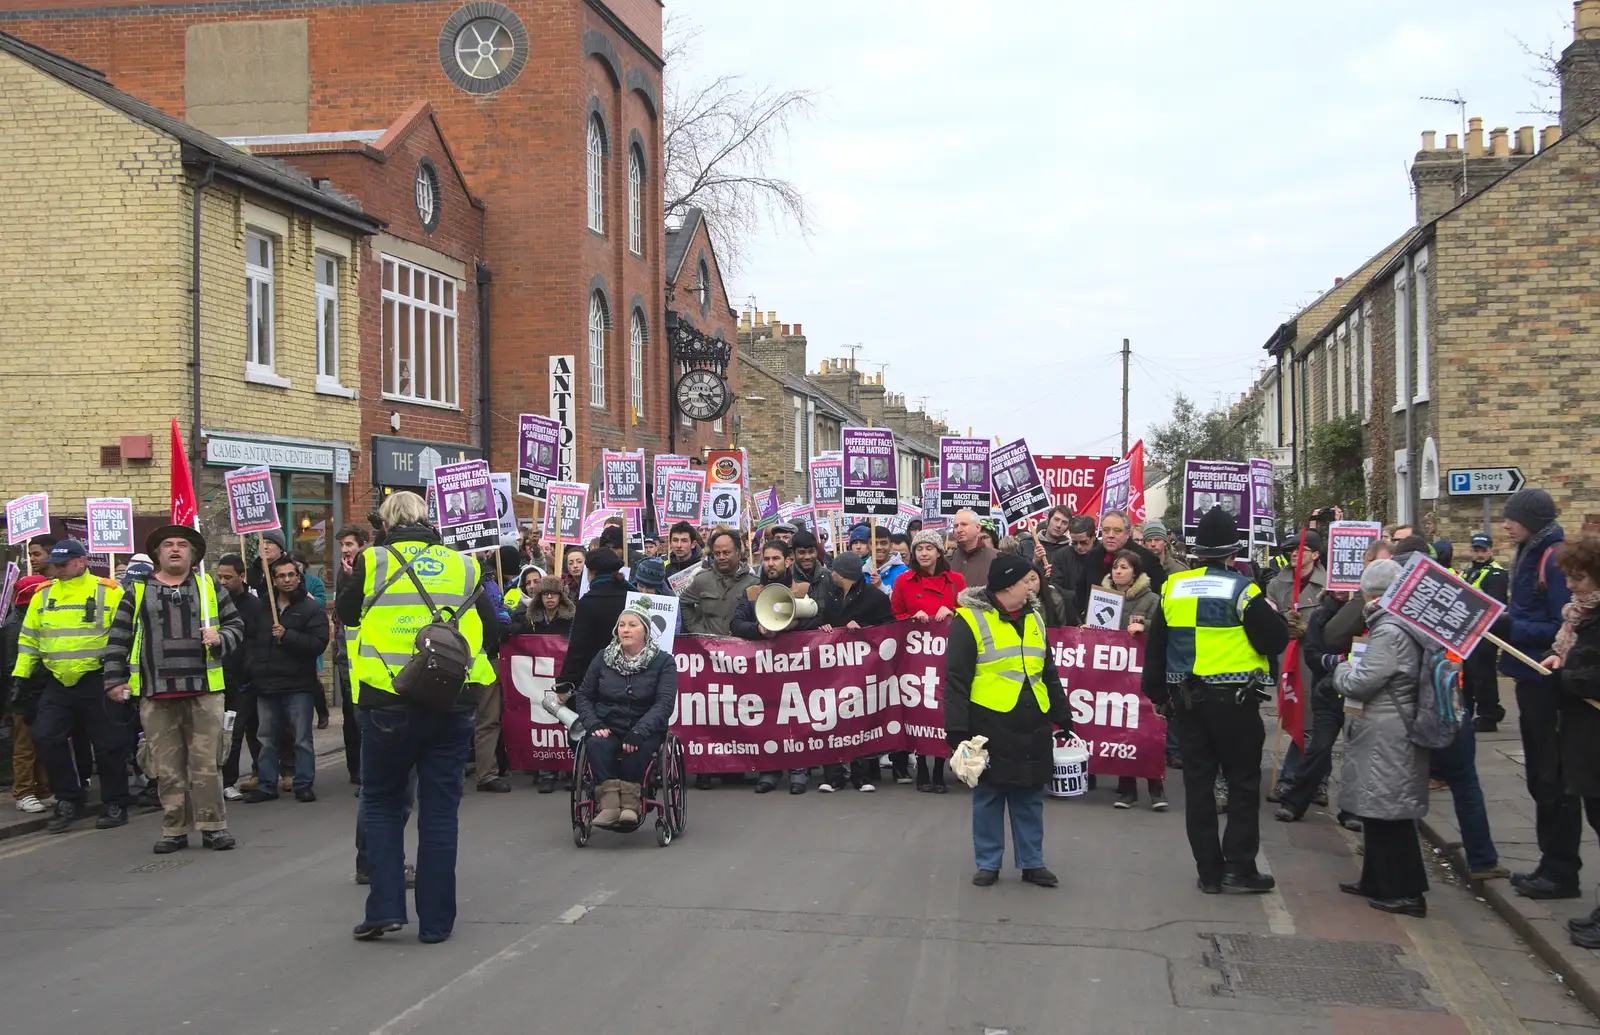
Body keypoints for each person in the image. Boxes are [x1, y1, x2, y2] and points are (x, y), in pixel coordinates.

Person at [336, 490, 484, 944]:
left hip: (386, 699)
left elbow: (345, 614)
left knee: (381, 802)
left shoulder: (372, 561)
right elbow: (489, 630)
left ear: (385, 522)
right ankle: (437, 924)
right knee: (440, 814)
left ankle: (384, 909)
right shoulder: (464, 565)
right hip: (449, 700)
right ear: (427, 520)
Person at [1140, 507, 1290, 894]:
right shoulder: (1244, 589)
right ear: (1232, 553)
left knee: (1199, 787)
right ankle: (1239, 868)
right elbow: (1273, 640)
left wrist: (1159, 696)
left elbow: (1157, 648)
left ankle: (1209, 873)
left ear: (1196, 550)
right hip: (1235, 703)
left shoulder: (1173, 588)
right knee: (1241, 784)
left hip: (1187, 703)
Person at [104, 526, 244, 853]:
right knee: (166, 768)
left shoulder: (209, 587)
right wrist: (113, 680)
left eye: (182, 544)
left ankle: (213, 827)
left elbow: (237, 626)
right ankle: (174, 828)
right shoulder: (137, 591)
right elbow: (118, 638)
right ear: (158, 554)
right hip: (156, 694)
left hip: (204, 691)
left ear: (193, 554)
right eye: (168, 544)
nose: (176, 549)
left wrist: (220, 638)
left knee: (207, 765)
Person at [944, 553, 1074, 887]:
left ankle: (1033, 862)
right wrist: (957, 731)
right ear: (1006, 586)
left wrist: (1063, 715)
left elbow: (1048, 671)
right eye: (1026, 581)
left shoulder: (1035, 618)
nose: (1032, 586)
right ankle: (988, 863)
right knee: (989, 795)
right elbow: (956, 680)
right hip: (989, 723)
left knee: (1029, 794)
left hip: (1033, 721)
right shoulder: (969, 620)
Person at [1330, 559, 1432, 917]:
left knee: (1391, 814)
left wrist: (1340, 667)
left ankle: (1407, 893)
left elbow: (1360, 682)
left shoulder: (1391, 630)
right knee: (1377, 809)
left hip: (1390, 730)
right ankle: (1375, 879)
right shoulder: (1396, 623)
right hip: (1384, 726)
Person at [12, 539, 133, 835]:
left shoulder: (109, 591)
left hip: (99, 678)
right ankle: (69, 798)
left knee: (109, 745)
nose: (58, 570)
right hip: (58, 680)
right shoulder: (44, 594)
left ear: (81, 562)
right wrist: (21, 677)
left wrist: (125, 676)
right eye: (56, 565)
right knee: (46, 736)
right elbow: (29, 640)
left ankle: (115, 802)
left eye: (64, 564)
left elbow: (128, 634)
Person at [1496, 488, 1579, 901]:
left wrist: (1509, 626)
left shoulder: (1553, 558)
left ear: (1532, 520)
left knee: (1553, 779)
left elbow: (1563, 627)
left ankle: (1563, 871)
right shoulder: (1530, 550)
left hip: (1547, 681)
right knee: (1540, 780)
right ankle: (1551, 863)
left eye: (1513, 517)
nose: (1505, 524)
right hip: (1529, 680)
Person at [1540, 534, 1600, 946]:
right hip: (1583, 736)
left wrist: (1564, 678)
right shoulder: (1580, 618)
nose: (1572, 585)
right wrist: (1562, 660)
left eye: (1579, 578)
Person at [574, 602, 677, 827]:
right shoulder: (603, 658)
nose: (626, 630)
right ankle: (610, 804)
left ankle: (630, 804)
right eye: (621, 625)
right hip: (608, 723)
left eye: (632, 625)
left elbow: (664, 703)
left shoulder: (663, 662)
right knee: (596, 744)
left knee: (636, 748)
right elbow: (583, 696)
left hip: (644, 726)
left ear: (645, 631)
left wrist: (640, 731)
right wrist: (593, 724)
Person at [242, 556, 329, 803]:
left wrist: (288, 635)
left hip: (298, 684)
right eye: (281, 576)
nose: (287, 580)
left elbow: (318, 644)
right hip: (266, 684)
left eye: (291, 575)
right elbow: (249, 640)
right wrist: (252, 667)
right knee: (266, 739)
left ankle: (303, 783)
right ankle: (267, 785)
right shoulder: (261, 609)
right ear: (273, 580)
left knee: (301, 738)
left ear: (298, 578)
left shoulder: (310, 609)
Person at [816, 551, 898, 793]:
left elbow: (889, 629)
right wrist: (822, 626)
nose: (831, 574)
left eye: (835, 571)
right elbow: (817, 619)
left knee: (861, 719)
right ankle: (833, 775)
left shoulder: (874, 598)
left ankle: (861, 775)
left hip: (865, 671)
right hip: (832, 669)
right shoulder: (828, 595)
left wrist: (865, 630)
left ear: (844, 575)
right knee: (831, 719)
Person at [1265, 530, 1328, 802]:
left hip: (1315, 664)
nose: (1293, 553)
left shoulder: (1328, 586)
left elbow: (1337, 626)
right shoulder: (1277, 584)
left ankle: (1307, 780)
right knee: (1294, 719)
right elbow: (1266, 620)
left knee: (1313, 723)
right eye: (1291, 549)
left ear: (1315, 555)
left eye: (1301, 549)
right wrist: (1283, 624)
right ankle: (1305, 779)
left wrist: (1309, 629)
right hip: (1288, 661)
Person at [1100, 550, 1164, 810]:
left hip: (1142, 673)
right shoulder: (1103, 597)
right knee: (1121, 730)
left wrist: (1144, 626)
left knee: (1148, 731)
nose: (1118, 572)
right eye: (1116, 567)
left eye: (1124, 567)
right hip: (1116, 674)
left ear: (1135, 573)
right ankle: (1126, 789)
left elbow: (1162, 627)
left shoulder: (1152, 599)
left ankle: (1156, 788)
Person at [215, 555, 265, 801]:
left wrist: (250, 670)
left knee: (248, 731)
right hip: (220, 676)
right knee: (227, 732)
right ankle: (226, 779)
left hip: (245, 679)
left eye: (228, 577)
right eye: (220, 577)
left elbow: (257, 641)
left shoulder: (254, 605)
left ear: (242, 577)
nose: (222, 582)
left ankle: (259, 774)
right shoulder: (212, 603)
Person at [3, 574, 52, 813]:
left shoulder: (33, 619)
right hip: (24, 694)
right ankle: (24, 792)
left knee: (41, 742)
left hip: (38, 691)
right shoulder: (16, 626)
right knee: (25, 746)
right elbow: (14, 665)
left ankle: (42, 789)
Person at [1075, 510, 1167, 612]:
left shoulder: (1146, 558)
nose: (1110, 535)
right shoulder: (1092, 556)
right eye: (1106, 530)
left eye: (1117, 531)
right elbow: (1080, 593)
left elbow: (1162, 596)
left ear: (1127, 534)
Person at [333, 525, 369, 784]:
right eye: (343, 545)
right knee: (351, 716)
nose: (345, 550)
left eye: (349, 544)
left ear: (363, 545)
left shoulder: (370, 569)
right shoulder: (342, 572)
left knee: (365, 715)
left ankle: (369, 770)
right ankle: (355, 770)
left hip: (369, 654)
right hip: (346, 654)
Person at [1463, 532, 1509, 731]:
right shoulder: (1469, 571)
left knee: (1483, 676)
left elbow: (1494, 605)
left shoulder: (1496, 573)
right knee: (1470, 675)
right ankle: (1468, 713)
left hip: (1485, 633)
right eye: (1476, 550)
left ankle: (1489, 715)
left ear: (1491, 550)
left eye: (1483, 550)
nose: (1480, 554)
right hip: (1469, 632)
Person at [679, 528, 759, 638]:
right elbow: (684, 601)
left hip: (742, 652)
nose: (721, 557)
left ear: (738, 552)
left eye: (726, 553)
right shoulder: (702, 579)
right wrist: (696, 629)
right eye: (717, 553)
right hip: (707, 650)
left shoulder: (753, 583)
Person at [947, 509, 999, 589]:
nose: (959, 530)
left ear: (978, 527)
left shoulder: (997, 558)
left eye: (964, 524)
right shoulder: (947, 560)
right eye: (956, 526)